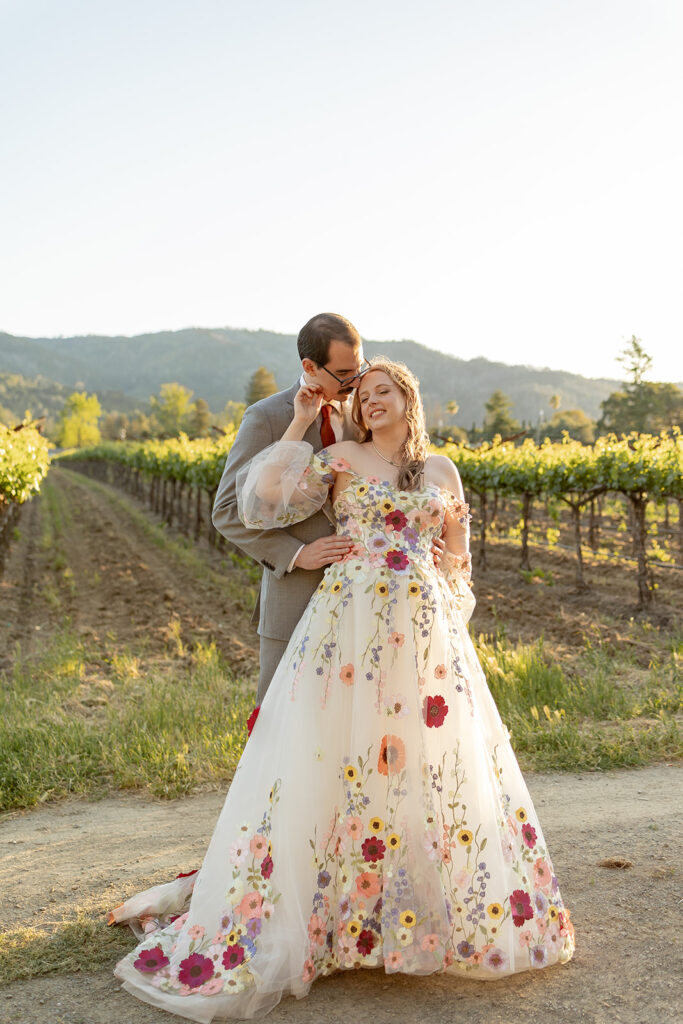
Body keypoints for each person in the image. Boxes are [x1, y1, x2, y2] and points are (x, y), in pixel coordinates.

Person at [111, 358, 575, 1021]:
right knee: (338, 763)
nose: (371, 403)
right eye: (363, 396)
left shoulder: (442, 471)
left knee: (421, 770)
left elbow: (459, 565)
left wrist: (444, 621)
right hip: (346, 632)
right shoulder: (338, 458)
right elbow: (264, 501)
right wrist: (302, 419)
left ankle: (417, 920)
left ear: (409, 400)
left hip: (422, 639)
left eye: (384, 392)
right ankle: (329, 926)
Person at [212, 312, 366, 703]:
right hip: (293, 600)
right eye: (345, 373)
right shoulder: (266, 416)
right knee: (281, 718)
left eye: (359, 368)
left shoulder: (365, 414)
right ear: (310, 367)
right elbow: (227, 509)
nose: (356, 382)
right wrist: (297, 554)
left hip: (363, 599)